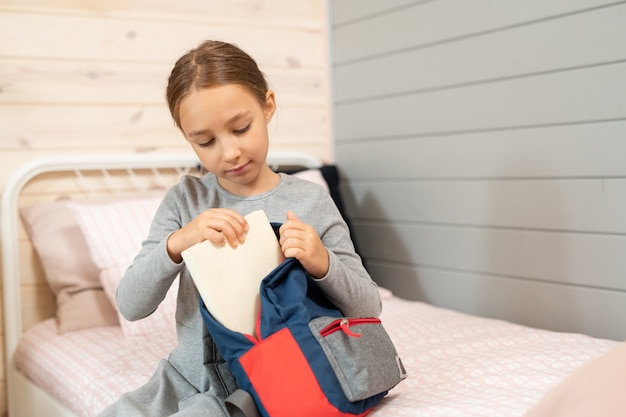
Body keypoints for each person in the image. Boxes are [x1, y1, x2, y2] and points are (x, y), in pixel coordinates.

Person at [98, 40, 381, 416]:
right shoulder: (186, 201)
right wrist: (178, 243)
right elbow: (131, 305)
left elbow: (369, 306)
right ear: (188, 137)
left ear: (268, 106)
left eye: (241, 128)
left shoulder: (311, 201)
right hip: (185, 378)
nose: (229, 152)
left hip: (274, 383)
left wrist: (322, 262)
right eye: (206, 141)